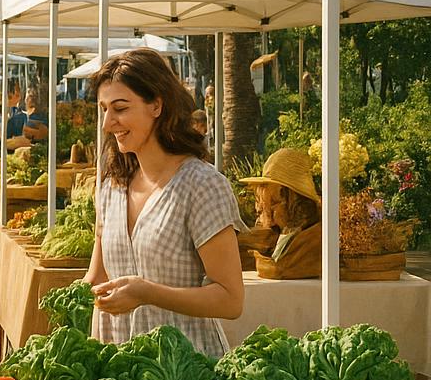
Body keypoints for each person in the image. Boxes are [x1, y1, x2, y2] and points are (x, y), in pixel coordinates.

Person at [86, 48, 244, 358]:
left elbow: (230, 300)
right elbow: (97, 277)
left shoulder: (202, 186)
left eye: (120, 108)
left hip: (185, 376)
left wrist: (147, 293)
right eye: (103, 109)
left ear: (156, 105)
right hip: (118, 372)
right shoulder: (111, 187)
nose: (108, 123)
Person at [238, 148, 321, 279]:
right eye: (265, 205)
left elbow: (278, 269)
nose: (269, 217)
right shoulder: (281, 232)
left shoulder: (312, 235)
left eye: (274, 203)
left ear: (294, 199)